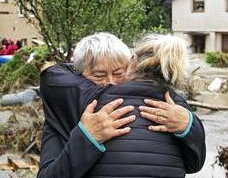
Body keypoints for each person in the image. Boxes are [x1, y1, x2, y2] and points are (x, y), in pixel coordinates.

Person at [38, 33, 205, 178]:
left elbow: (194, 163)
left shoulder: (172, 109)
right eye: (98, 75)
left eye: (118, 73)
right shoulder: (63, 109)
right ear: (78, 76)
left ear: (131, 67)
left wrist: (187, 124)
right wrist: (87, 137)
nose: (110, 82)